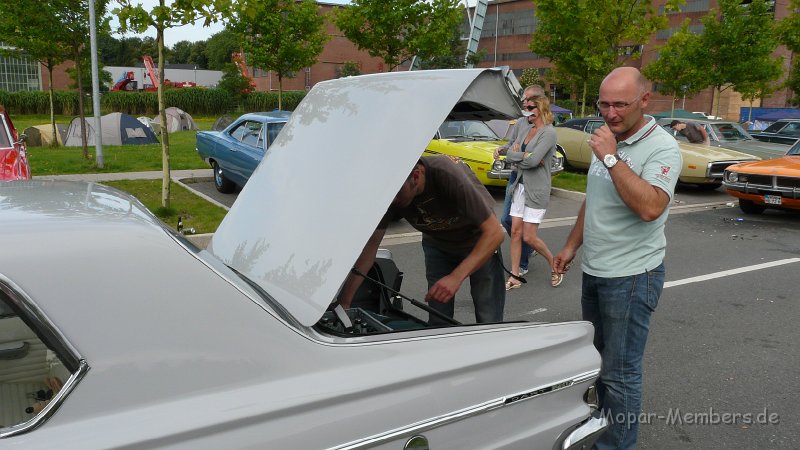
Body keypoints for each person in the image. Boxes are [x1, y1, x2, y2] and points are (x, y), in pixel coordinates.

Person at [553, 67, 682, 450]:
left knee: (621, 372)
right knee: (598, 364)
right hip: (596, 271)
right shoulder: (607, 140)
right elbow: (596, 198)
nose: (610, 113)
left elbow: (650, 207)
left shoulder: (661, 148)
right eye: (604, 103)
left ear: (645, 100)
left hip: (631, 277)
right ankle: (603, 430)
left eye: (620, 104)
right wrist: (571, 246)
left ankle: (616, 445)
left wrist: (612, 158)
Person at [338, 154, 506, 325]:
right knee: (438, 319)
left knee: (488, 317)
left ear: (416, 177)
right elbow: (368, 252)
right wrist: (344, 303)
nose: (392, 201)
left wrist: (456, 277)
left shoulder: (447, 173)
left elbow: (495, 233)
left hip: (479, 243)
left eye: (397, 194)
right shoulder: (391, 194)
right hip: (438, 246)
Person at [503, 95, 560, 290]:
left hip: (537, 189)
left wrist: (523, 157)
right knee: (515, 231)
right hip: (519, 185)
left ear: (541, 109)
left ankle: (555, 263)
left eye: (530, 106)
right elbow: (510, 152)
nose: (526, 109)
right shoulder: (526, 128)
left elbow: (533, 162)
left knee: (529, 237)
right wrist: (522, 155)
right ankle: (514, 275)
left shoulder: (548, 133)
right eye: (525, 106)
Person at [494, 85, 544, 277]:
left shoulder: (545, 126)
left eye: (527, 100)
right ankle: (527, 247)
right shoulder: (520, 123)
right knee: (506, 219)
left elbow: (535, 158)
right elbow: (513, 146)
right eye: (523, 100)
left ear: (538, 103)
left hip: (532, 180)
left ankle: (522, 262)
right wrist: (502, 149)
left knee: (521, 227)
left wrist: (516, 154)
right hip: (516, 177)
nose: (523, 103)